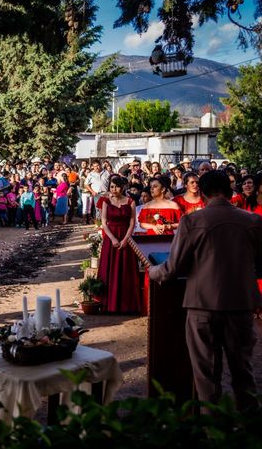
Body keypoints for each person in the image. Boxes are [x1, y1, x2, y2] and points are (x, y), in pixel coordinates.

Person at [149, 170, 261, 411]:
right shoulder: (253, 221)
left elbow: (172, 268)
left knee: (207, 376)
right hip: (241, 304)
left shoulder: (192, 221)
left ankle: (213, 431)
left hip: (202, 305)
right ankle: (250, 429)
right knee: (244, 372)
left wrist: (151, 271)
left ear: (202, 192)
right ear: (231, 191)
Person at [98, 176, 141, 313]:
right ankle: (108, 304)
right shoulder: (106, 201)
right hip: (111, 238)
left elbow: (132, 222)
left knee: (126, 270)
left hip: (126, 237)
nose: (113, 189)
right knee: (108, 269)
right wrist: (112, 239)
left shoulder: (130, 201)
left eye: (116, 187)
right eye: (111, 187)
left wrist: (125, 240)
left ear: (122, 187)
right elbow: (104, 222)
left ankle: (127, 305)